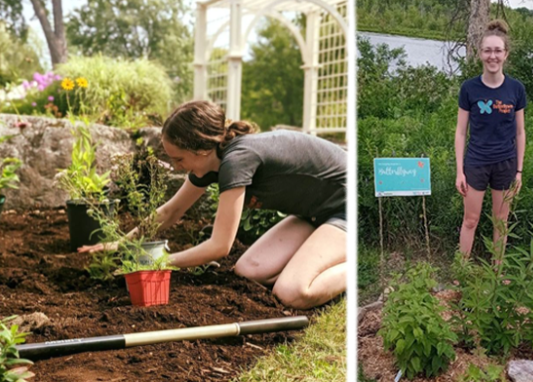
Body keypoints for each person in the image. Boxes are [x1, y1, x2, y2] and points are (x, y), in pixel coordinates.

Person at [79, 100, 346, 310]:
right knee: (247, 271)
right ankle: (316, 261)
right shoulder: (211, 163)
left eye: (178, 159)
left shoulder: (237, 160)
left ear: (202, 150)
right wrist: (122, 243)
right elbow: (172, 211)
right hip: (312, 214)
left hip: (348, 208)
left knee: (292, 293)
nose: (175, 167)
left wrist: (160, 262)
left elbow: (219, 246)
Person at [455, 19, 526, 260]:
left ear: (506, 54)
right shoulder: (469, 88)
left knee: (500, 221)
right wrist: (459, 172)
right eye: (487, 50)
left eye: (497, 50)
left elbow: (520, 133)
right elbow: (460, 132)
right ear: (480, 53)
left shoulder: (516, 90)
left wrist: (519, 171)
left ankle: (496, 271)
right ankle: (461, 270)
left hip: (505, 163)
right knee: (470, 220)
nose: (492, 56)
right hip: (476, 163)